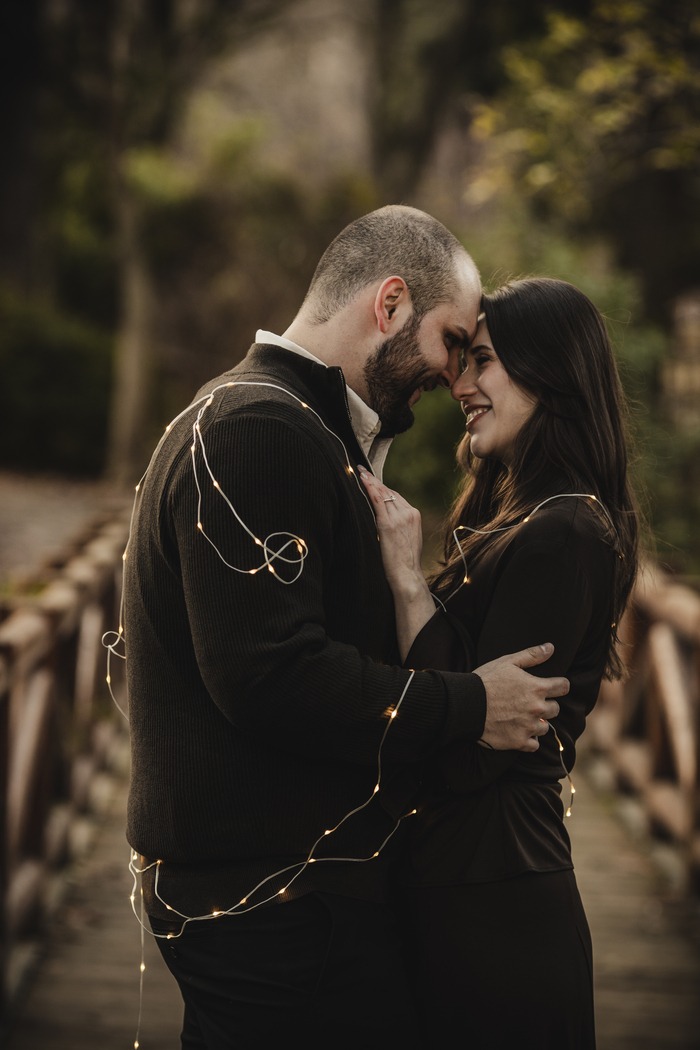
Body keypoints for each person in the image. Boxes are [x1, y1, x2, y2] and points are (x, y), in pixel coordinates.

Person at [122, 207, 568, 1050]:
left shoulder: (289, 422)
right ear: (390, 304)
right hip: (279, 914)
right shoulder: (260, 427)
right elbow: (271, 674)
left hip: (290, 900)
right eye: (452, 341)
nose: (453, 375)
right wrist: (470, 704)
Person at [359, 275, 640, 1049]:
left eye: (483, 361)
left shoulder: (565, 533)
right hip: (464, 885)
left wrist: (407, 582)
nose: (461, 386)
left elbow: (471, 754)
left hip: (498, 906)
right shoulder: (526, 519)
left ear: (549, 372)